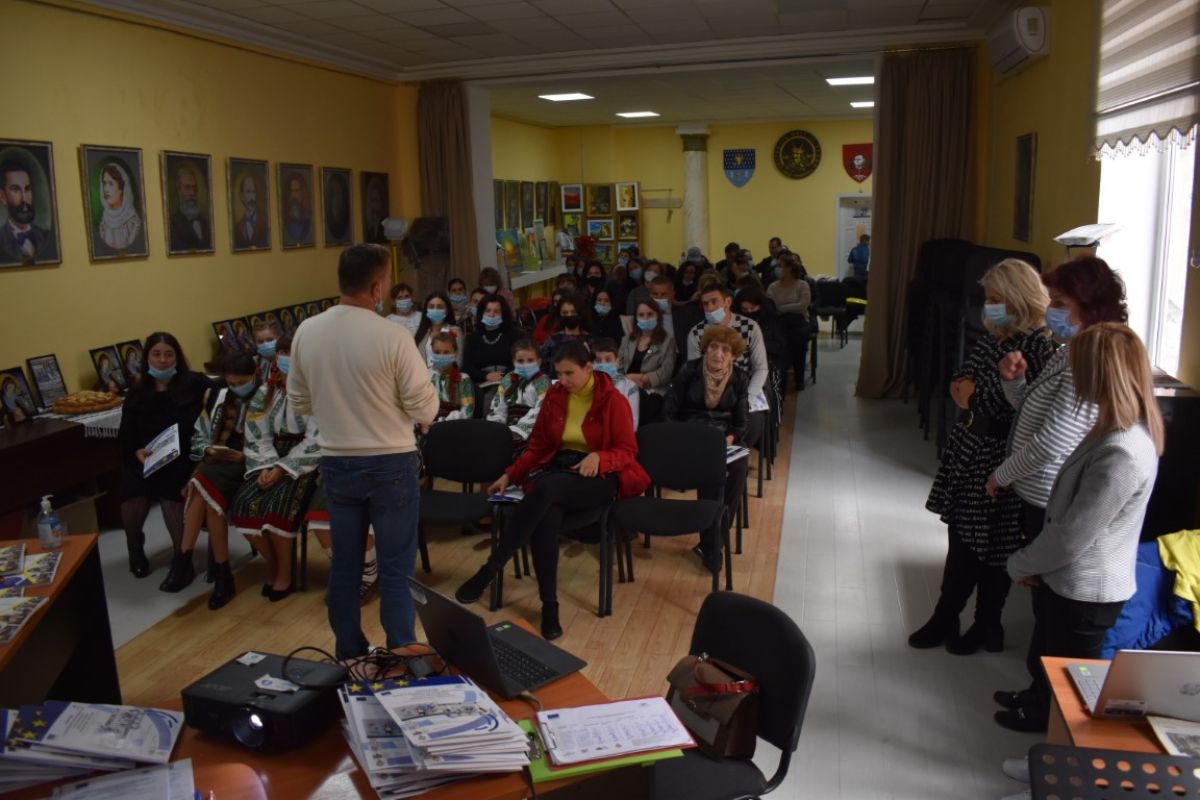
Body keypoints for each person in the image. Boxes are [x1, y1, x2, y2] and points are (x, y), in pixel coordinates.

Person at [985, 255, 1134, 731]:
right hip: (1039, 491)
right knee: (1046, 613)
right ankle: (1036, 695)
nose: (1050, 309)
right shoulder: (1069, 350)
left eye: (1060, 302)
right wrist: (1015, 383)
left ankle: (1044, 711)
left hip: (1047, 493)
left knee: (1055, 615)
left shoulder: (1090, 358)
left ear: (1088, 306)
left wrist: (1002, 473)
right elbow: (1035, 415)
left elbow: (1053, 441)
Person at [997, 323, 1163, 734]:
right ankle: (1037, 704)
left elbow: (1072, 535)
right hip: (1067, 578)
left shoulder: (1123, 451)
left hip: (1087, 590)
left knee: (1071, 683)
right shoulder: (1109, 429)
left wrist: (1021, 564)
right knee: (1046, 656)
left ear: (1098, 374)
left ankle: (1052, 741)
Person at [288, 243, 440, 659]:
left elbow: (299, 402)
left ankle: (350, 652)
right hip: (391, 462)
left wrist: (340, 407)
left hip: (337, 461)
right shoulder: (393, 336)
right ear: (377, 287)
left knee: (345, 565)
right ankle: (400, 650)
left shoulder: (307, 331)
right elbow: (426, 409)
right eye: (388, 280)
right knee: (395, 566)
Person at [908, 259, 1056, 655]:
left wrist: (973, 395)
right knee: (962, 538)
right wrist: (971, 394)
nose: (988, 306)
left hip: (1000, 454)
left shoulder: (1039, 345)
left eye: (995, 299)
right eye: (987, 298)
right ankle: (948, 615)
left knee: (994, 546)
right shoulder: (996, 337)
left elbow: (1013, 406)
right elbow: (959, 382)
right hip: (970, 446)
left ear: (1019, 298)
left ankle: (986, 622)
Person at [454, 341, 649, 640]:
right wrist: (510, 474)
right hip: (560, 471)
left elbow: (627, 450)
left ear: (588, 368)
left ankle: (491, 569)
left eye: (570, 373)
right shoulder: (556, 396)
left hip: (600, 476)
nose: (563, 380)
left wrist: (600, 457)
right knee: (547, 514)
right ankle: (549, 605)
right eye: (559, 373)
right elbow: (538, 446)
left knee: (545, 490)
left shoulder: (613, 399)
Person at [161, 351, 259, 608]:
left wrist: (243, 456)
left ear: (254, 375)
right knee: (207, 491)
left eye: (242, 382)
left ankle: (185, 559)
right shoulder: (217, 396)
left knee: (203, 484)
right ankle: (221, 573)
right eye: (231, 383)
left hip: (251, 464)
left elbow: (270, 442)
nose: (236, 388)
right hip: (218, 463)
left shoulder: (266, 397)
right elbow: (200, 433)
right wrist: (208, 449)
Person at [229, 336, 320, 601]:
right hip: (268, 456)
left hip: (303, 460)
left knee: (277, 507)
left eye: (291, 352)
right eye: (282, 351)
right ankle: (274, 563)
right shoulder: (266, 391)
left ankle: (284, 572)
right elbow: (257, 432)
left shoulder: (315, 390)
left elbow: (316, 438)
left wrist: (281, 468)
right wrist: (265, 466)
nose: (285, 357)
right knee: (244, 503)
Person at [665, 325, 751, 571]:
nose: (718, 353)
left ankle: (712, 543)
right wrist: (685, 436)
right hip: (689, 436)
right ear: (706, 348)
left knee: (739, 465)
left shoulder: (740, 378)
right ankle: (712, 545)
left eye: (726, 350)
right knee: (712, 468)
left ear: (733, 355)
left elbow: (742, 423)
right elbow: (669, 411)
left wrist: (731, 438)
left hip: (723, 439)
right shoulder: (689, 370)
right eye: (714, 347)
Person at [687, 284, 770, 447]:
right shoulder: (696, 333)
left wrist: (746, 399)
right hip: (711, 392)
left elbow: (761, 368)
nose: (709, 308)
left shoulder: (750, 327)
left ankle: (735, 457)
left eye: (714, 301)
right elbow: (695, 372)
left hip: (746, 390)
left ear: (728, 301)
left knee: (749, 425)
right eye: (705, 303)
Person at [619, 299, 676, 423]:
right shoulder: (628, 339)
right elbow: (619, 366)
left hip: (652, 390)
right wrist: (626, 381)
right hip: (626, 386)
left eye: (650, 314)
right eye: (641, 315)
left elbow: (666, 372)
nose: (645, 318)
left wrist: (642, 378)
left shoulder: (667, 340)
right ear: (636, 318)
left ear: (657, 316)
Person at [488, 339, 551, 443]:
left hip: (532, 433)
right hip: (506, 431)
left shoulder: (543, 381)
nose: (525, 364)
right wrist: (498, 429)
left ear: (539, 362)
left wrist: (517, 430)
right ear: (514, 362)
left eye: (530, 360)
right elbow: (498, 405)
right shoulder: (508, 378)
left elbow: (540, 410)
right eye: (520, 361)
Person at [767, 254, 813, 391]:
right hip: (779, 321)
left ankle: (799, 378)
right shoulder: (773, 287)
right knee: (779, 340)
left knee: (798, 339)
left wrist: (782, 308)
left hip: (798, 320)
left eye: (780, 266)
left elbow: (803, 305)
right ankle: (780, 378)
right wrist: (786, 308)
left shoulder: (802, 285)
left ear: (789, 268)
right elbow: (770, 305)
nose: (777, 269)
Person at [735, 286, 789, 403]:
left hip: (770, 363)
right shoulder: (736, 322)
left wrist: (755, 343)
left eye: (752, 308)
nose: (749, 312)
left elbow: (780, 346)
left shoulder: (773, 320)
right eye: (745, 310)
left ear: (760, 305)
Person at [1, 156, 57, 266]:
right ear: (2, 196)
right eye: (16, 189)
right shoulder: (2, 238)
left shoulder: (44, 235)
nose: (24, 199)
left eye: (27, 189)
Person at [462, 294, 514, 385]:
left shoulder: (515, 335)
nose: (491, 315)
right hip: (481, 384)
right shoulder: (473, 338)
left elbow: (522, 361)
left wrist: (503, 376)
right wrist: (485, 376)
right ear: (481, 313)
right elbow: (467, 367)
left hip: (510, 382)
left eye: (496, 311)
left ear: (503, 314)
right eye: (488, 311)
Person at [591, 337, 640, 430]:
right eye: (598, 361)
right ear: (592, 363)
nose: (603, 364)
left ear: (617, 361)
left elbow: (633, 423)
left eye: (608, 360)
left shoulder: (629, 386)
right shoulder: (586, 386)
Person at [426, 332, 475, 423]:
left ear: (455, 353)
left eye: (446, 352)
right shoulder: (425, 377)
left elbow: (467, 412)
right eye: (437, 352)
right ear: (432, 352)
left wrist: (442, 421)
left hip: (452, 426)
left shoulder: (463, 379)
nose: (441, 356)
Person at [539, 292, 591, 377]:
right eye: (565, 313)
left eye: (573, 312)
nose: (569, 316)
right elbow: (543, 367)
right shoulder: (552, 341)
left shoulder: (590, 340)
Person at [96, 162, 142, 252]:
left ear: (121, 189)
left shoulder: (133, 223)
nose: (106, 189)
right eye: (104, 183)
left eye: (110, 184)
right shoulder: (103, 223)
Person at [168, 164, 211, 252]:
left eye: (194, 188)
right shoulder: (172, 225)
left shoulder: (206, 223)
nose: (192, 193)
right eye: (187, 187)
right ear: (179, 190)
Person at [414, 291, 463, 367]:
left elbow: (458, 361)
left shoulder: (455, 331)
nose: (435, 310)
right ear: (426, 310)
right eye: (431, 307)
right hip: (424, 373)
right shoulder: (421, 333)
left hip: (448, 373)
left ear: (447, 310)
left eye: (440, 307)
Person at [233, 173, 269, 249]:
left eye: (253, 192)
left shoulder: (265, 221)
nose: (251, 197)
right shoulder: (238, 227)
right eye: (248, 192)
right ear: (242, 196)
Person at [282, 171, 313, 246]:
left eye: (296, 191)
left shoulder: (308, 216)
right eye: (291, 191)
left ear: (303, 192)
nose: (293, 195)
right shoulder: (286, 217)